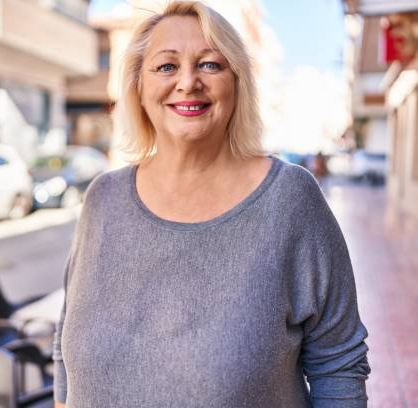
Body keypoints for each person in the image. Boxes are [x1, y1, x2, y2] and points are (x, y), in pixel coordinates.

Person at [53, 2, 370, 407]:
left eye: (210, 65)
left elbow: (338, 366)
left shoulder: (289, 200)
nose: (188, 82)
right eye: (166, 66)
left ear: (237, 83)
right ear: (138, 86)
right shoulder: (103, 199)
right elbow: (65, 355)